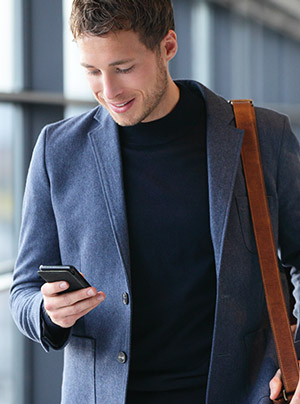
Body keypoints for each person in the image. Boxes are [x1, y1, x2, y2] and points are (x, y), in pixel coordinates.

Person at [9, 0, 300, 403]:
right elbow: (23, 291)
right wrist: (48, 313)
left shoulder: (262, 135)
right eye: (92, 71)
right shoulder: (56, 150)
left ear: (168, 46)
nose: (108, 92)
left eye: (124, 68)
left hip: (244, 392)